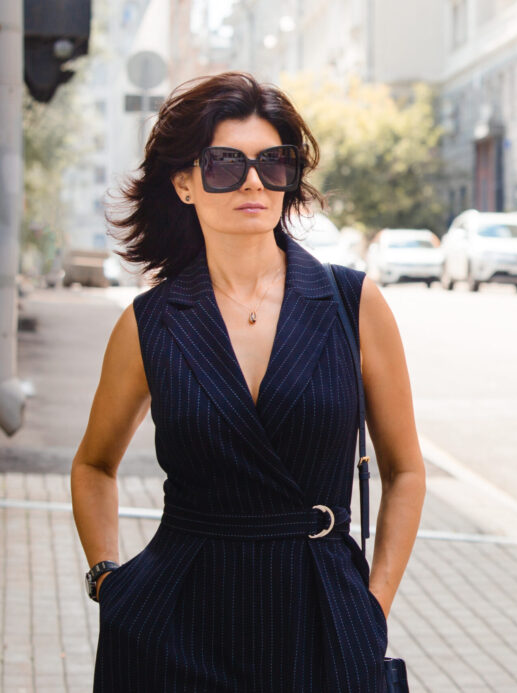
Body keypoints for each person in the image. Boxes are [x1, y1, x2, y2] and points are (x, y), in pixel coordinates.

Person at [69, 71, 426, 691]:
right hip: (174, 625)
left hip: (322, 616)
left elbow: (406, 472)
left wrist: (372, 607)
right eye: (225, 164)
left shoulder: (352, 303)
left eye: (273, 163)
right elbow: (94, 465)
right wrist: (108, 579)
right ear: (184, 183)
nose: (253, 181)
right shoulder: (150, 323)